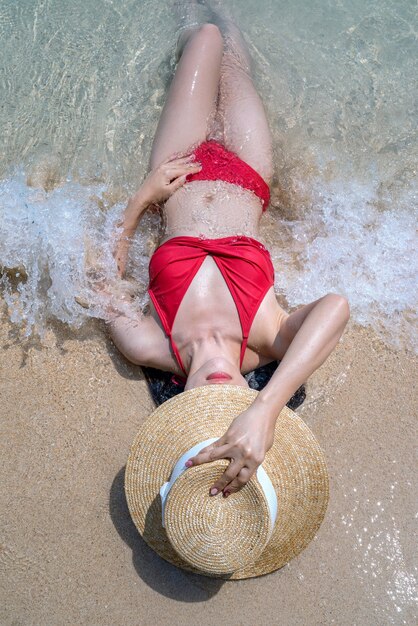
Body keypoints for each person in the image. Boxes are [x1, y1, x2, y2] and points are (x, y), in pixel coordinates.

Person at [107, 16, 350, 500]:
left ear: (183, 405)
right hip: (248, 170)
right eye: (232, 405)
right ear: (247, 398)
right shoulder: (267, 339)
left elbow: (93, 281)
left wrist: (140, 199)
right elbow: (337, 307)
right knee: (232, 44)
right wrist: (266, 410)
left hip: (178, 164)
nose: (220, 389)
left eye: (207, 406)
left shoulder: (151, 346)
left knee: (204, 36)